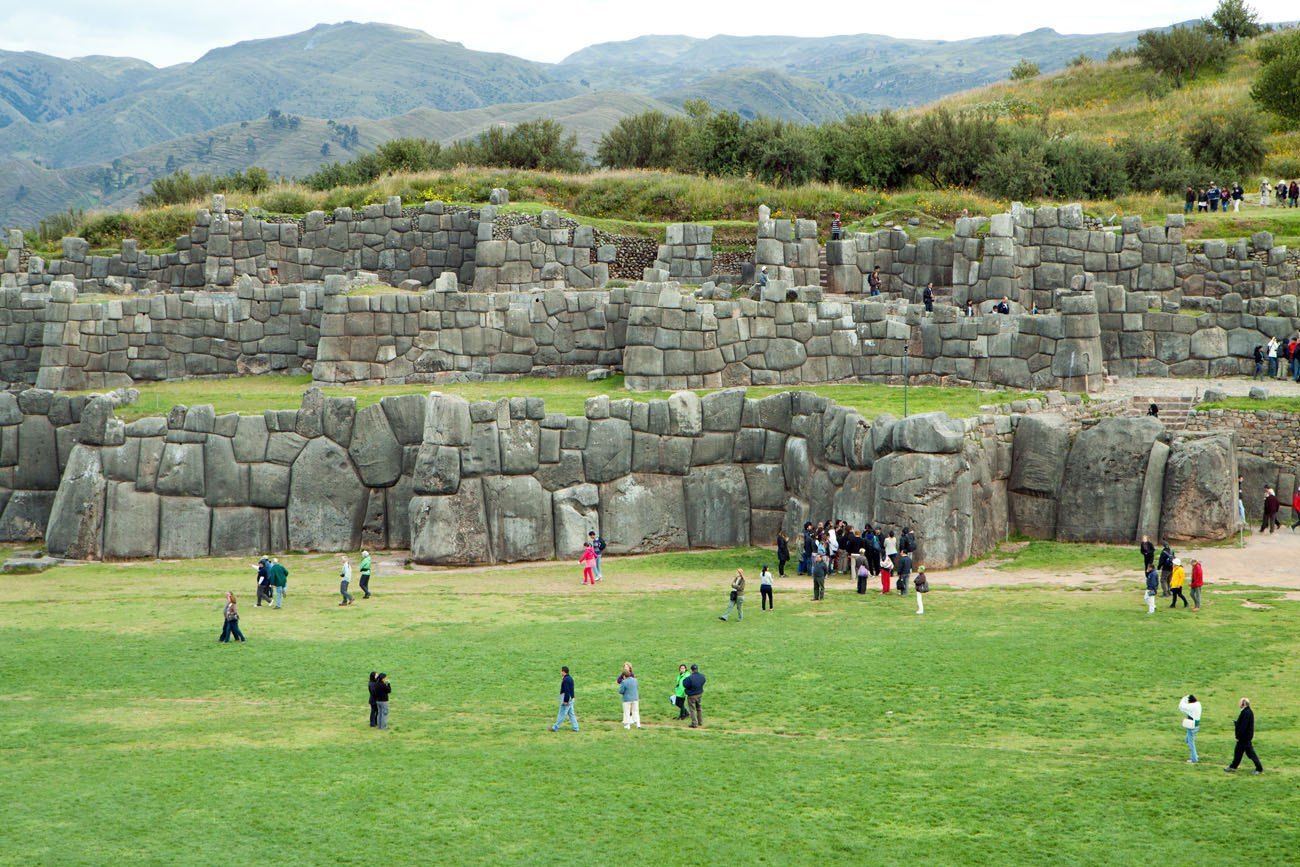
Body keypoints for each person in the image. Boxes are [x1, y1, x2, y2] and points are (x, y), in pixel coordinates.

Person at [1225, 698, 1263, 774]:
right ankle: (1233, 766)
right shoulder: (1247, 712)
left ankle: (1259, 769)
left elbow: (1243, 726)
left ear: (1244, 704)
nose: (1239, 704)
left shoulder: (1246, 712)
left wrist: (1238, 735)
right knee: (1238, 752)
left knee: (1251, 754)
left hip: (1244, 738)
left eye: (1240, 703)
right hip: (1244, 737)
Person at [551, 666, 578, 732]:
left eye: (561, 671)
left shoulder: (565, 680)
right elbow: (571, 689)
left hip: (567, 699)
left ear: (563, 671)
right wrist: (573, 697)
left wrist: (565, 701)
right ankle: (576, 727)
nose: (560, 672)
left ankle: (555, 727)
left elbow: (566, 690)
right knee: (571, 714)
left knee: (562, 713)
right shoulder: (570, 678)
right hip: (571, 698)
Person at [1179, 694, 1202, 763]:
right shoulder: (1198, 704)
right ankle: (1194, 755)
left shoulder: (1193, 706)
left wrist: (1183, 698)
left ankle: (1194, 759)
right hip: (1195, 726)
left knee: (1191, 743)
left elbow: (1181, 706)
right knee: (1187, 740)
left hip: (1192, 726)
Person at [683, 664, 706, 728]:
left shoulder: (690, 678)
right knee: (699, 708)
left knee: (692, 709)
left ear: (691, 670)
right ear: (697, 669)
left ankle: (694, 723)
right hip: (699, 694)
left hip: (692, 696)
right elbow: (704, 681)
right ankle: (700, 722)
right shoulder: (702, 676)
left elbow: (685, 685)